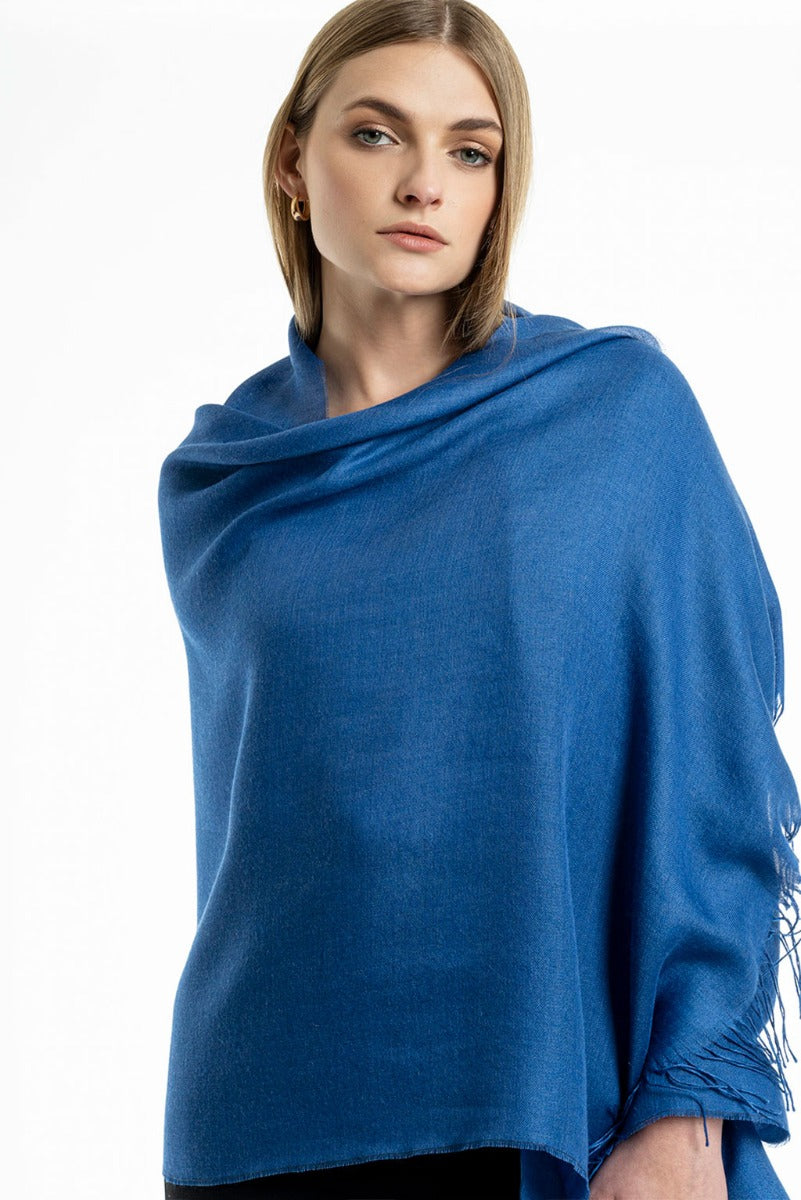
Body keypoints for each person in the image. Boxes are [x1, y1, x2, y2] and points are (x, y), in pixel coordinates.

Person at [156, 2, 801, 1197]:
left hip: (520, 1097)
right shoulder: (220, 484)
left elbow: (716, 768)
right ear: (293, 161)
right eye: (376, 134)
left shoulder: (612, 416)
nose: (423, 183)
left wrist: (688, 1112)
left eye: (469, 150)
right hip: (255, 1105)